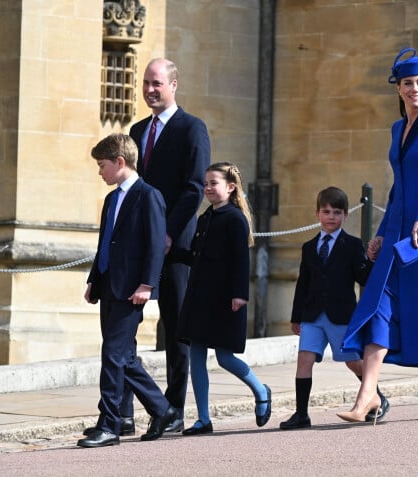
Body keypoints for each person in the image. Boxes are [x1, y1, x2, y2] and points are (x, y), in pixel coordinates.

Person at [337, 47, 418, 424]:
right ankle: (367, 396)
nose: (415, 89)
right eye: (408, 83)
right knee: (378, 304)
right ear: (398, 88)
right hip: (398, 228)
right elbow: (398, 187)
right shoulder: (398, 128)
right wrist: (381, 233)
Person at [125, 58, 210, 433]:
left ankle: (174, 410)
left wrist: (169, 233)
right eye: (146, 83)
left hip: (176, 246)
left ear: (173, 85)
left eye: (157, 83)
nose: (149, 90)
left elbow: (195, 188)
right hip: (140, 245)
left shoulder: (192, 128)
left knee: (177, 330)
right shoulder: (137, 129)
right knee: (123, 328)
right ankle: (122, 411)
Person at [78, 134, 178, 448]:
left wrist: (147, 284)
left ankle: (109, 424)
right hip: (109, 284)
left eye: (102, 165)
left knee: (112, 356)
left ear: (120, 162)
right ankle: (163, 410)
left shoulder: (148, 195)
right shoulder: (111, 199)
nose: (100, 172)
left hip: (132, 289)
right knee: (125, 357)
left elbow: (155, 245)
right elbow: (105, 242)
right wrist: (94, 279)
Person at [279, 187, 390, 430]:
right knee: (304, 359)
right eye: (326, 211)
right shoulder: (309, 247)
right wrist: (296, 316)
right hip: (312, 315)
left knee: (352, 362)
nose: (331, 217)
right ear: (317, 213)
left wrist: (372, 261)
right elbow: (303, 283)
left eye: (337, 212)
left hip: (341, 316)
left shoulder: (351, 245)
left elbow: (362, 277)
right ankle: (301, 414)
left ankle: (377, 397)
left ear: (346, 215)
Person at [175, 162, 271, 435]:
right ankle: (203, 419)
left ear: (230, 187)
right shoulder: (205, 218)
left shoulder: (235, 218)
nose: (208, 188)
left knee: (225, 358)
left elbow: (242, 260)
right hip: (199, 296)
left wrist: (240, 294)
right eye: (206, 183)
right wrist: (169, 251)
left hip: (225, 298)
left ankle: (261, 390)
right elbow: (195, 254)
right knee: (196, 354)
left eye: (213, 183)